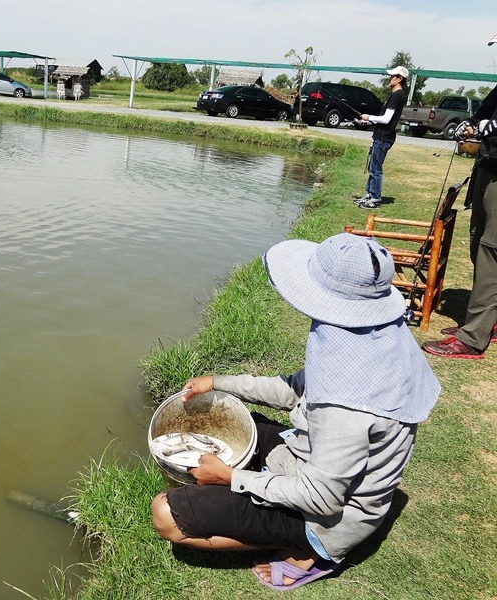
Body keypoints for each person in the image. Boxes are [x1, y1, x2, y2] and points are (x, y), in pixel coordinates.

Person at [151, 233, 440, 591]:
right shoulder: (372, 332)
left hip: (326, 517)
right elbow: (295, 388)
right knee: (230, 423)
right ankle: (260, 501)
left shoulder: (348, 404)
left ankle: (305, 548)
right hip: (313, 459)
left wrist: (231, 478)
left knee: (166, 514)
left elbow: (321, 497)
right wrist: (219, 382)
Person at [422, 34, 497, 359]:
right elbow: (483, 113)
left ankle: (472, 338)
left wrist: (487, 128)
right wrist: (470, 124)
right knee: (478, 242)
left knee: (492, 253)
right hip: (487, 167)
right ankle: (486, 323)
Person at [355, 66, 409, 209]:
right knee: (372, 167)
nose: (388, 78)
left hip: (384, 137)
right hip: (380, 135)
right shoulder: (395, 95)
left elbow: (386, 119)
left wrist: (369, 116)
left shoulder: (397, 96)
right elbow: (385, 119)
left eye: (392, 76)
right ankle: (369, 195)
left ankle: (375, 199)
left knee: (376, 169)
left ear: (399, 79)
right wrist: (367, 121)